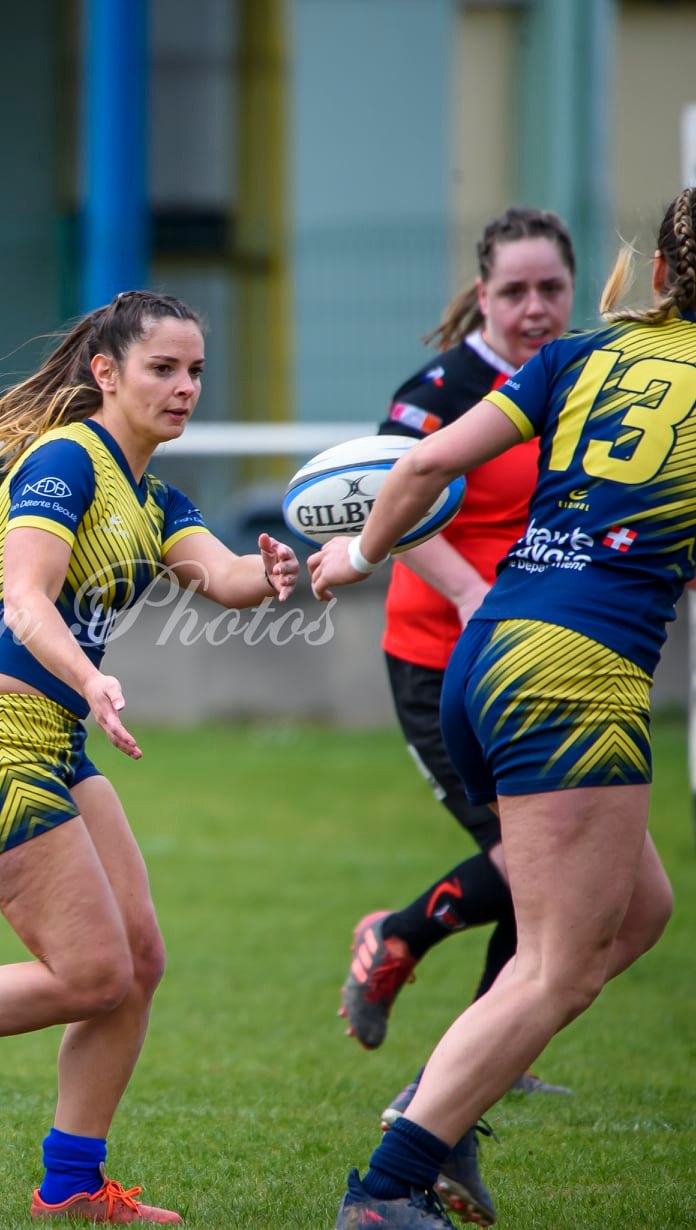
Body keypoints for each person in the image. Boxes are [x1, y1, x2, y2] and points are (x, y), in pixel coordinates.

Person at [0, 291, 299, 1224]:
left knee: (138, 960)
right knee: (91, 974)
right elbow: (27, 600)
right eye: (163, 368)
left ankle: (72, 1184)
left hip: (50, 741)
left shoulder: (156, 500)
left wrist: (278, 571)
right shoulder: (66, 459)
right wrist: (92, 679)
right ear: (106, 373)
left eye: (196, 371)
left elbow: (225, 575)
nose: (185, 387)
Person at [315, 189, 692, 1229]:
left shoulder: (581, 357)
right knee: (556, 966)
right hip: (574, 674)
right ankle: (390, 1187)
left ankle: (438, 1108)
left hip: (486, 656)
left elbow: (425, 463)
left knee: (640, 912)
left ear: (660, 275)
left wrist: (357, 555)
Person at [337, 207, 579, 1224]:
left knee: (557, 878)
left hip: (534, 666)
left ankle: (466, 1062)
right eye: (514, 291)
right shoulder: (439, 392)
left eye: (550, 289)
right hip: (441, 668)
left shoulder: (574, 378)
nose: (534, 307)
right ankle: (413, 969)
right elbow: (384, 498)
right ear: (482, 296)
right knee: (539, 866)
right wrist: (477, 595)